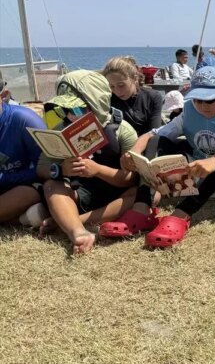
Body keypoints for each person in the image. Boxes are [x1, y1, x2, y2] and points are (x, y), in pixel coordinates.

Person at [99, 66, 215, 248]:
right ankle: (141, 209)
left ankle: (181, 214)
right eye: (197, 99)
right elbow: (153, 134)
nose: (202, 106)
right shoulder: (189, 111)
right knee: (157, 140)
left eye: (210, 100)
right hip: (197, 180)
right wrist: (132, 153)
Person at [36, 70, 139, 254]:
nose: (71, 116)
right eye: (66, 110)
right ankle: (78, 232)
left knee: (143, 193)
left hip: (118, 192)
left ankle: (74, 220)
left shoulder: (123, 131)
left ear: (97, 103)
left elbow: (131, 179)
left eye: (78, 109)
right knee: (51, 186)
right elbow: (41, 168)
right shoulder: (61, 129)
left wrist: (98, 170)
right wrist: (60, 170)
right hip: (80, 192)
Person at [0, 74, 46, 224]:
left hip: (23, 186)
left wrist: (5, 179)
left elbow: (47, 169)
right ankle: (22, 219)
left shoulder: (24, 120)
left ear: (4, 95)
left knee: (28, 194)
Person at [102, 56, 163, 136]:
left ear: (135, 78)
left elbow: (154, 132)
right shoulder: (108, 99)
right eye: (112, 86)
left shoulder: (152, 97)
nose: (117, 91)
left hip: (148, 141)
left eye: (121, 85)